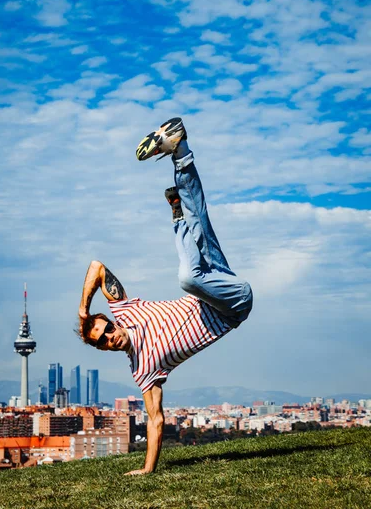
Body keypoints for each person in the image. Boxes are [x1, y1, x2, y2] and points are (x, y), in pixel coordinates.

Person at [78, 117, 253, 475]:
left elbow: (97, 266)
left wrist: (84, 310)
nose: (111, 336)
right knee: (189, 276)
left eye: (106, 329)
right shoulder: (143, 371)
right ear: (104, 348)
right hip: (233, 306)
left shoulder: (125, 311)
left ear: (110, 321)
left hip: (215, 283)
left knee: (198, 221)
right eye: (104, 340)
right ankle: (177, 220)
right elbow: (156, 421)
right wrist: (147, 470)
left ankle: (179, 150)